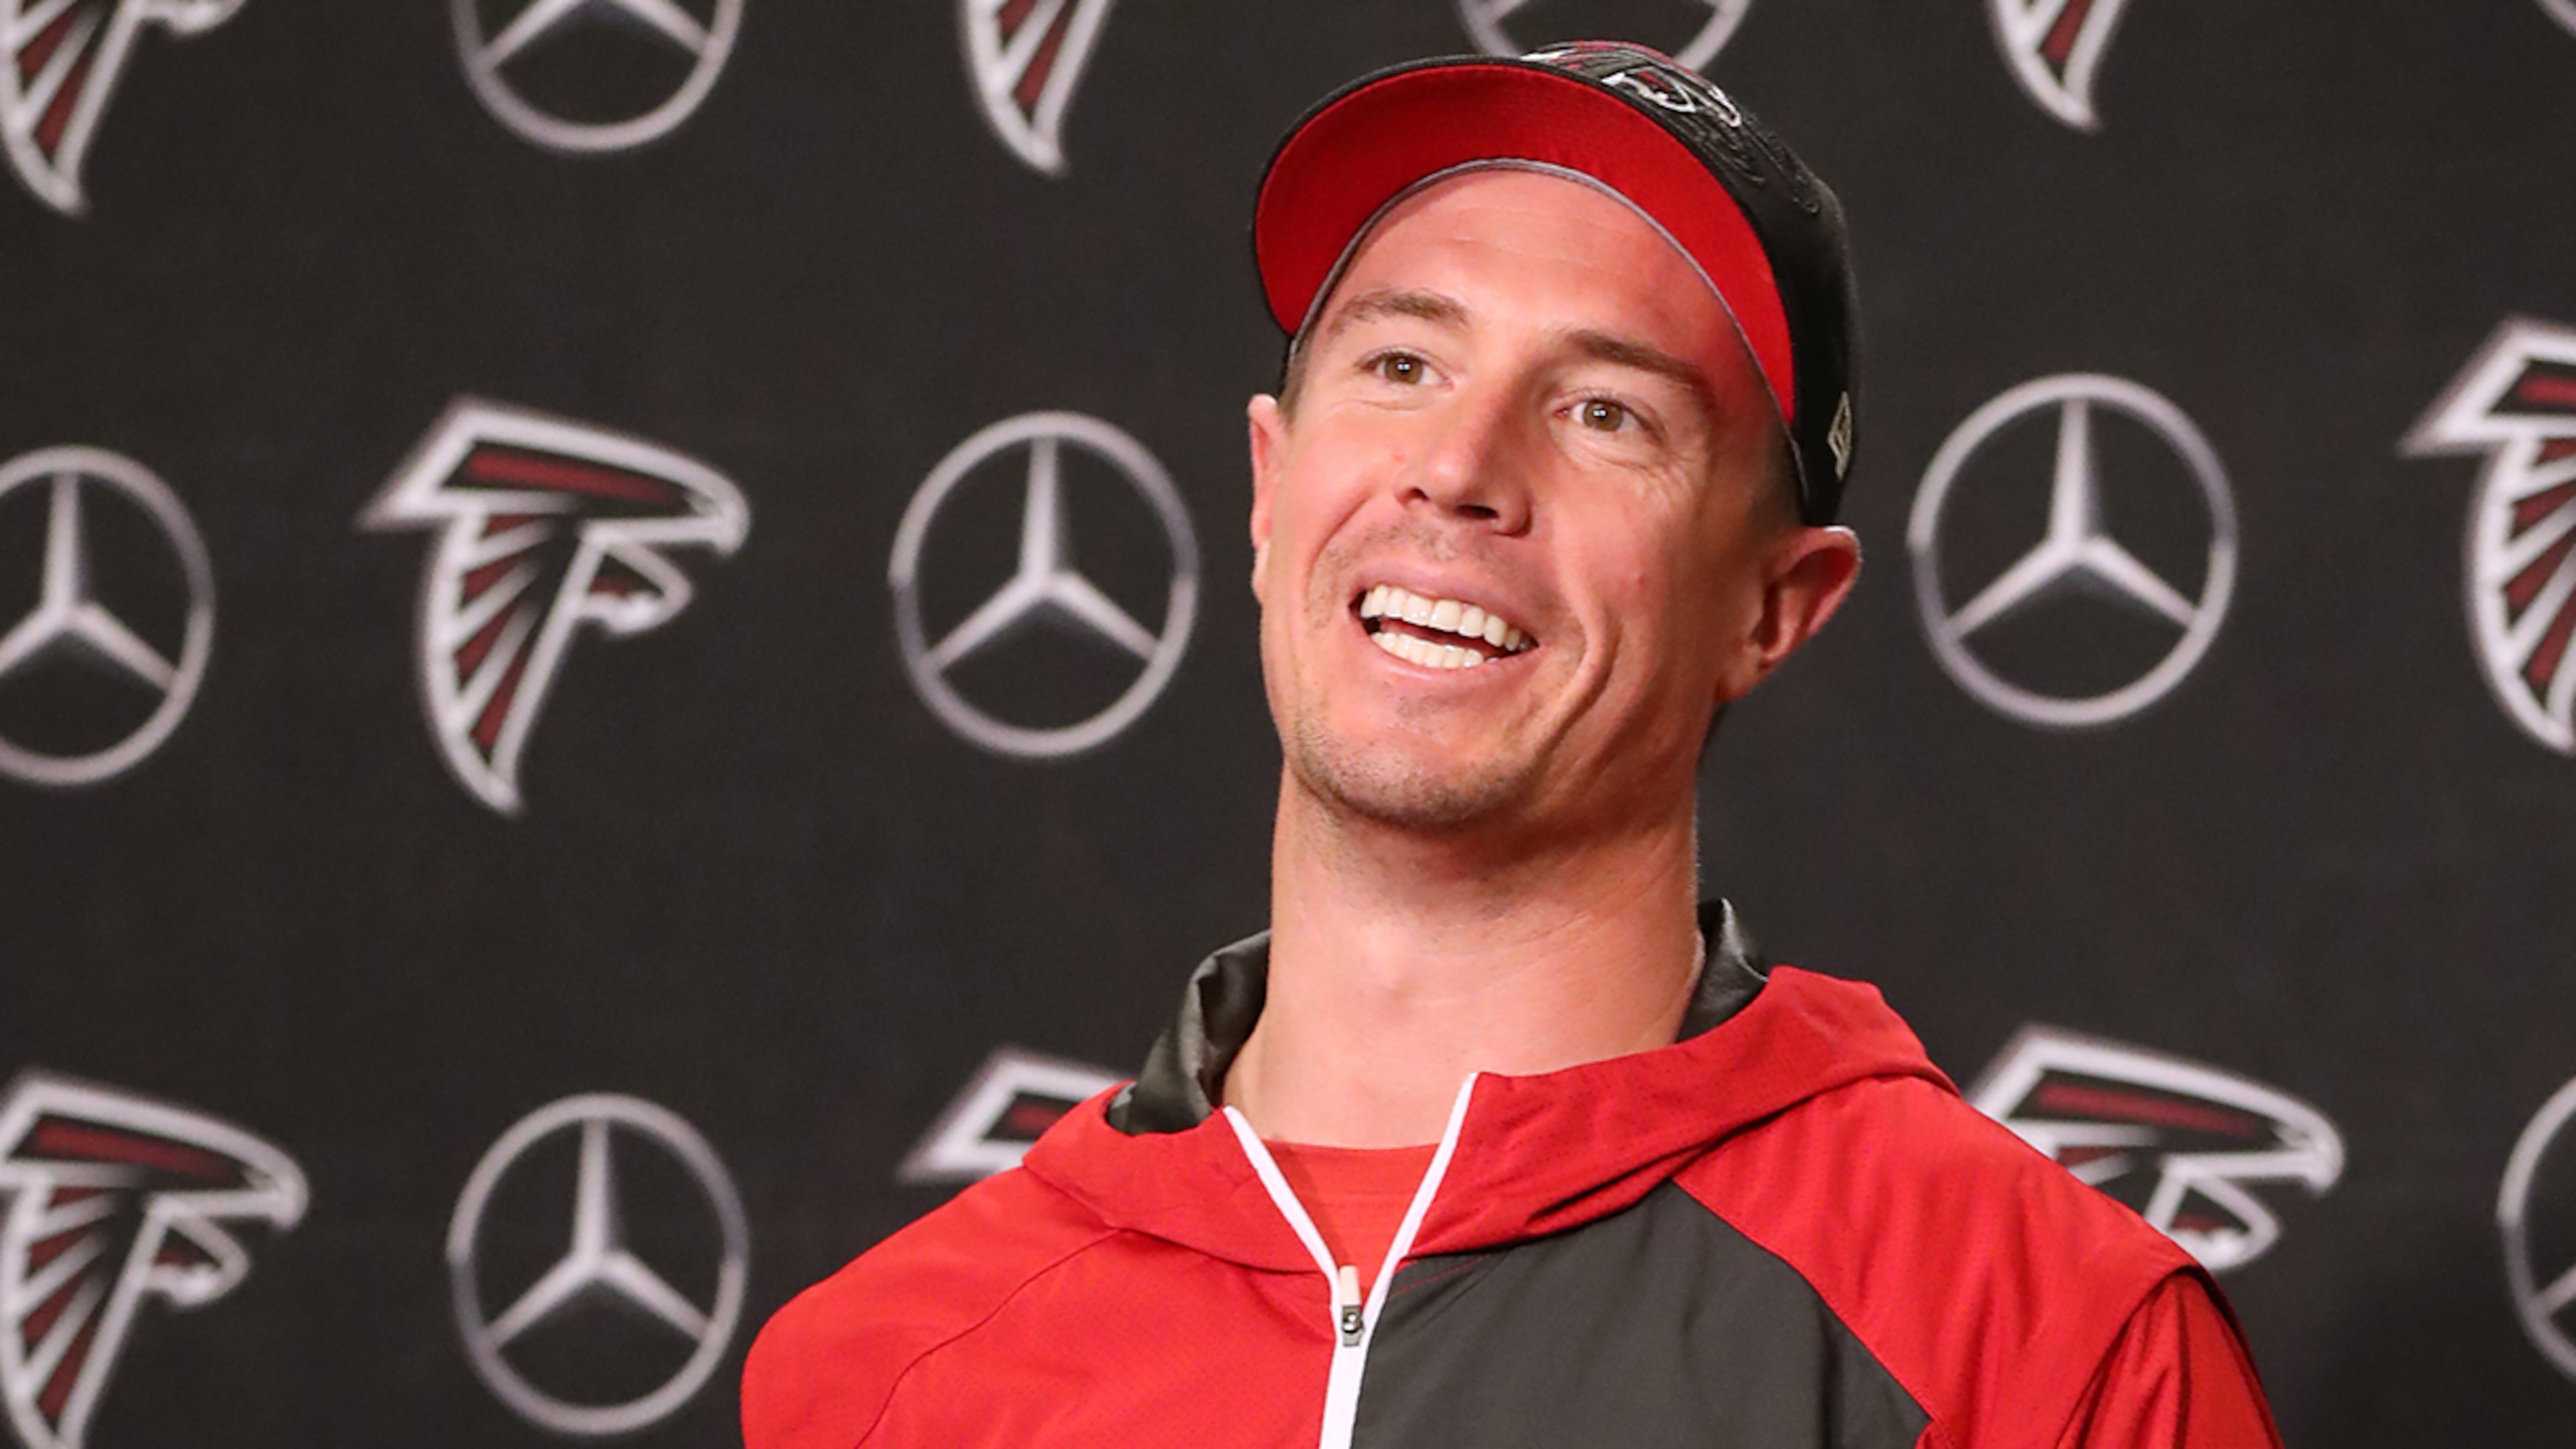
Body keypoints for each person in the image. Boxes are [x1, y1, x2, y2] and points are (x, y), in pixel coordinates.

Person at [743, 41, 2285, 1449]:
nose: (1459, 470)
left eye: (1607, 411)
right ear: (1271, 492)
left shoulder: (2043, 1342)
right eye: (1402, 365)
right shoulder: (883, 1376)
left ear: (1776, 605)